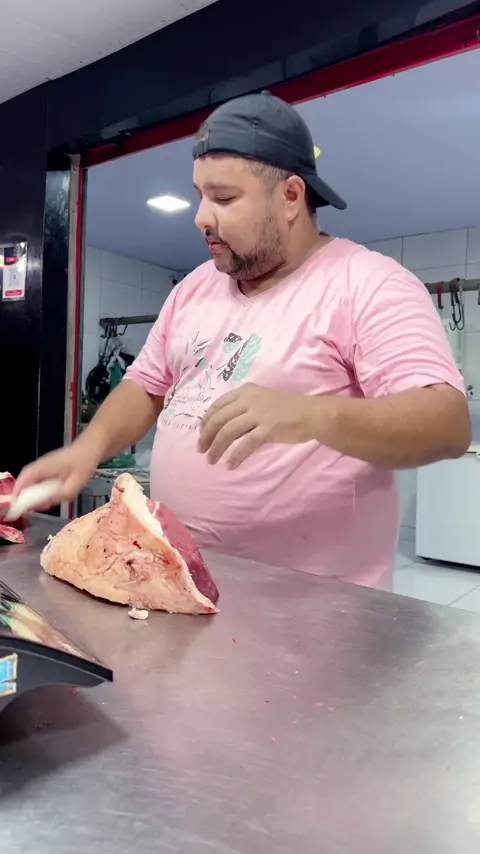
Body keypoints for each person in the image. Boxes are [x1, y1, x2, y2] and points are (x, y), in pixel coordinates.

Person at [16, 93, 470, 589]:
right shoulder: (194, 287)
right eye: (199, 195)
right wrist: (87, 450)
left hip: (314, 610)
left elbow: (446, 423)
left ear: (291, 196)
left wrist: (313, 414)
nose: (200, 216)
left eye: (224, 198)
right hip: (178, 586)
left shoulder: (367, 284)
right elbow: (145, 384)